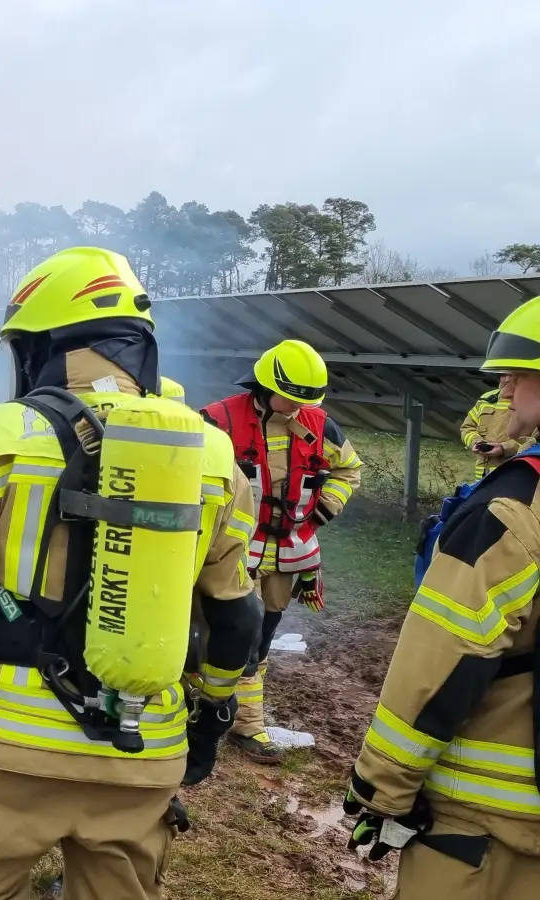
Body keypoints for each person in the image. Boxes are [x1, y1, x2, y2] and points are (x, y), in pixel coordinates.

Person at [0, 247, 262, 900]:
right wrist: (212, 715)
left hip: (6, 752)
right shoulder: (213, 456)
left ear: (43, 346)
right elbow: (235, 616)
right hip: (144, 753)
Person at [344, 295, 540, 897]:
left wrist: (381, 789)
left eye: (519, 372)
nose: (503, 391)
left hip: (490, 820)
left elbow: (444, 657)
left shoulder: (509, 512)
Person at [200, 340, 365, 762]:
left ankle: (243, 722)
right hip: (232, 553)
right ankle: (213, 712)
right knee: (228, 632)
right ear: (262, 386)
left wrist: (325, 509)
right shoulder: (217, 420)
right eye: (288, 399)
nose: (295, 409)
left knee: (262, 638)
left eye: (302, 402)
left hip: (288, 551)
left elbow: (349, 469)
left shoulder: (320, 424)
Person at [460, 375, 536, 481]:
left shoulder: (530, 400)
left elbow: (534, 440)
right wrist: (476, 442)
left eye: (512, 375)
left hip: (512, 474)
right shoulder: (487, 398)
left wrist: (503, 448)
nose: (507, 379)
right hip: (482, 476)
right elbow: (467, 427)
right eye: (503, 375)